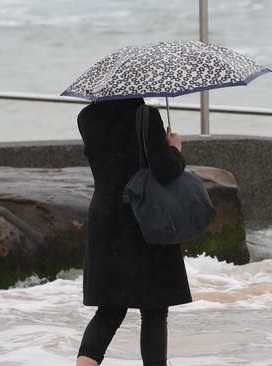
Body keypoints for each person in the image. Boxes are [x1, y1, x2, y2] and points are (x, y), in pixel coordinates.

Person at [75, 98, 192, 366]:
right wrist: (174, 149)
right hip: (142, 217)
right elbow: (164, 170)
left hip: (105, 218)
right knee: (153, 309)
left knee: (109, 309)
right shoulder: (146, 116)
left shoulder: (87, 117)